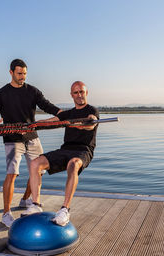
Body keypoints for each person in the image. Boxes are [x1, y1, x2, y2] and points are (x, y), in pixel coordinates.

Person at [0, 59, 61, 227]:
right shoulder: (2, 93)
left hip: (32, 137)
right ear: (11, 72)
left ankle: (26, 200)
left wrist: (63, 113)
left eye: (25, 73)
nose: (22, 77)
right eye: (19, 73)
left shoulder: (32, 91)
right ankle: (6, 214)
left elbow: (47, 105)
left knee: (38, 171)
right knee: (12, 174)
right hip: (12, 139)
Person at [21, 81, 99, 226]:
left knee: (73, 164)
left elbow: (91, 124)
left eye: (81, 92)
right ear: (71, 95)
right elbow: (50, 121)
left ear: (86, 93)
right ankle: (36, 204)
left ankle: (65, 210)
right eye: (76, 92)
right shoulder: (67, 114)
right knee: (35, 163)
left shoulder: (92, 111)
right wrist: (33, 125)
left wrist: (81, 124)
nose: (79, 95)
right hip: (65, 149)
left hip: (83, 150)